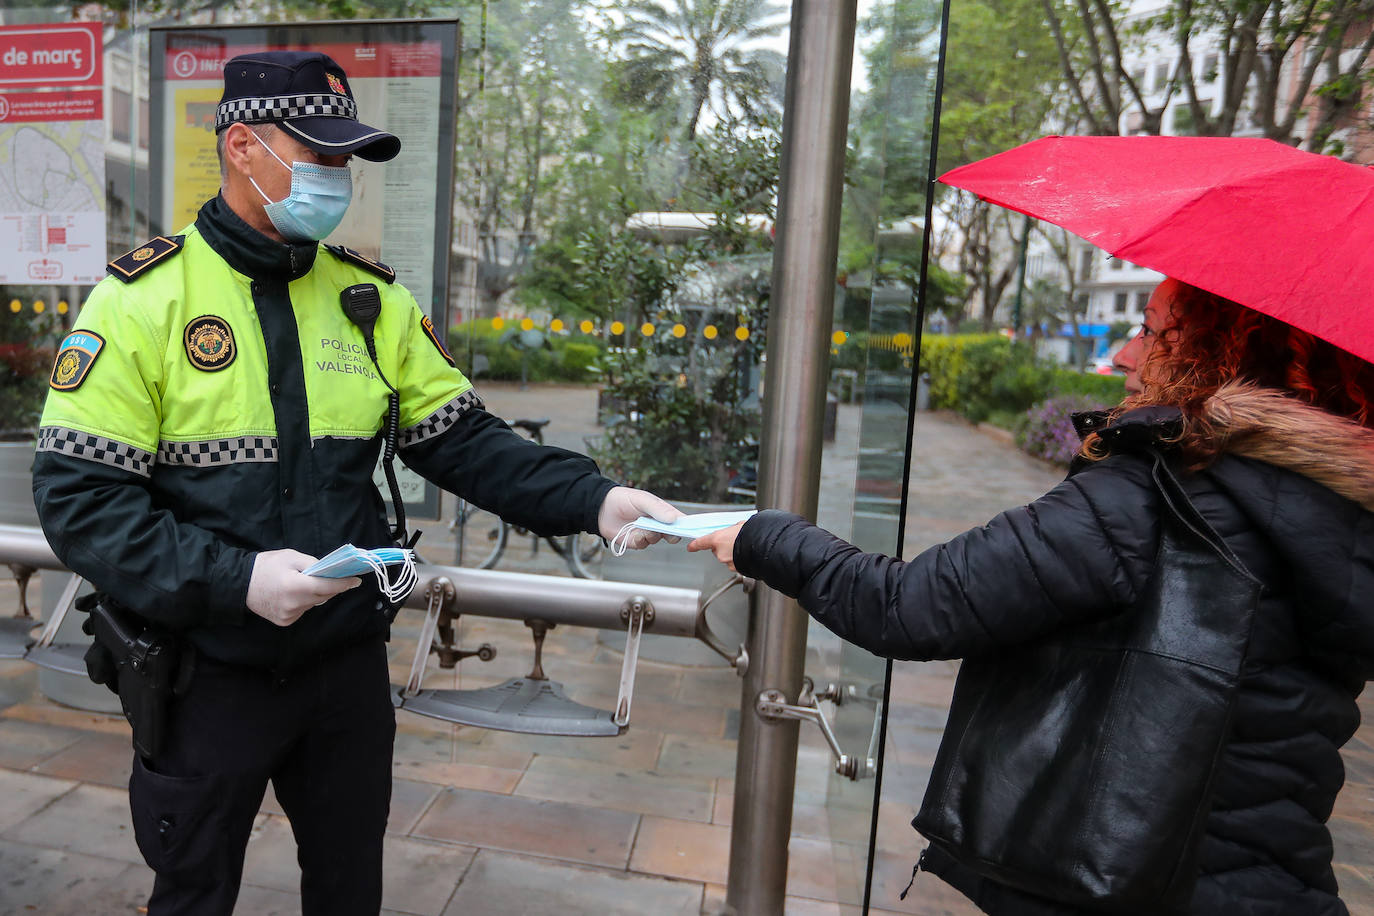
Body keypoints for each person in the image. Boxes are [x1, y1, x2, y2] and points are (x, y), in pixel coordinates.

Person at [31, 50, 679, 916]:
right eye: (318, 156)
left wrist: (597, 500)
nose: (336, 178)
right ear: (241, 148)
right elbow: (82, 500)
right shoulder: (142, 301)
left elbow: (468, 443)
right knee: (191, 891)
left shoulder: (369, 300)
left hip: (342, 672)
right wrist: (238, 581)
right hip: (205, 672)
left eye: (346, 161)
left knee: (348, 888)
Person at [691, 276, 1374, 915]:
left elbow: (905, 606)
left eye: (1153, 329)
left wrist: (762, 534)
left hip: (1137, 884)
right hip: (1275, 884)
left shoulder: (1153, 501)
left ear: (1219, 353)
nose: (1129, 351)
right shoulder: (1339, 516)